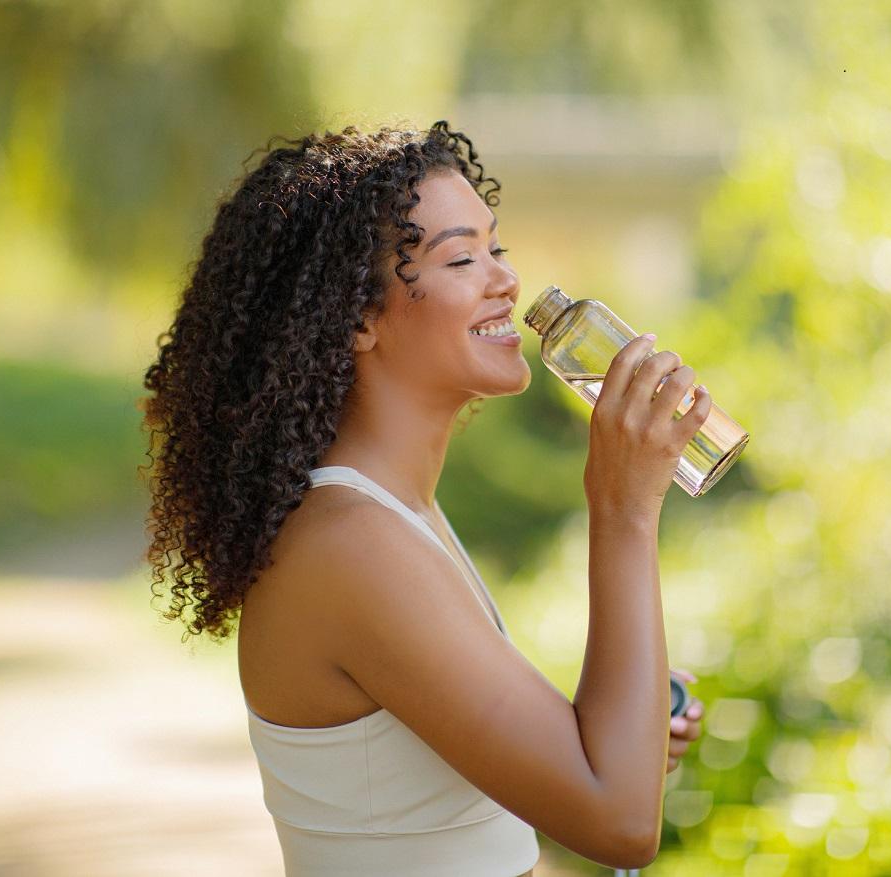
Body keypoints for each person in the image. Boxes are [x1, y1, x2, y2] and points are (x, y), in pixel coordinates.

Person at [140, 119, 708, 875]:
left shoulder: (393, 516)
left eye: (496, 248)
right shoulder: (351, 545)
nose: (505, 279)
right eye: (463, 257)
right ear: (358, 316)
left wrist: (628, 731)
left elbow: (585, 778)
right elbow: (620, 821)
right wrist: (624, 510)